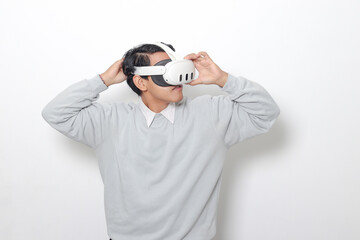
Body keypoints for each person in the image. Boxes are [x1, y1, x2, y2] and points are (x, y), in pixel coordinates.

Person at [41, 42, 280, 240]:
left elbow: (266, 113)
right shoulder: (109, 121)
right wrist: (102, 80)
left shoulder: (211, 114)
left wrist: (223, 79)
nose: (176, 78)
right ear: (141, 82)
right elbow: (55, 113)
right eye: (164, 70)